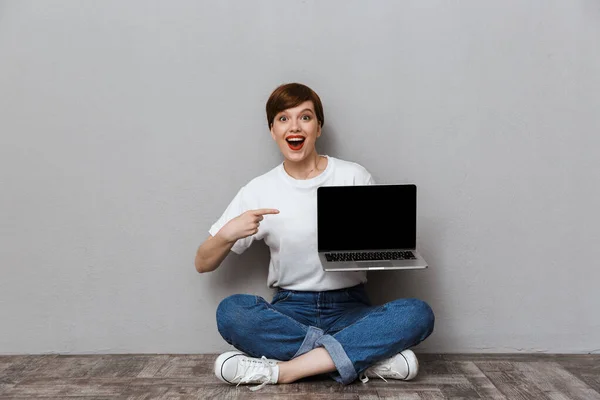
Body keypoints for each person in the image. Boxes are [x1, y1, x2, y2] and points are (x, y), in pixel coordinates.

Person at [195, 83, 434, 390]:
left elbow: (382, 244)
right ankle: (362, 359)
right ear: (272, 130)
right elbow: (202, 262)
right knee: (231, 313)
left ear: (318, 127)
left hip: (351, 308)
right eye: (283, 119)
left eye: (305, 117)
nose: (294, 126)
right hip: (290, 311)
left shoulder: (354, 176)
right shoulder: (258, 189)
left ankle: (284, 372)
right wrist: (227, 234)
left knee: (417, 314)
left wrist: (382, 244)